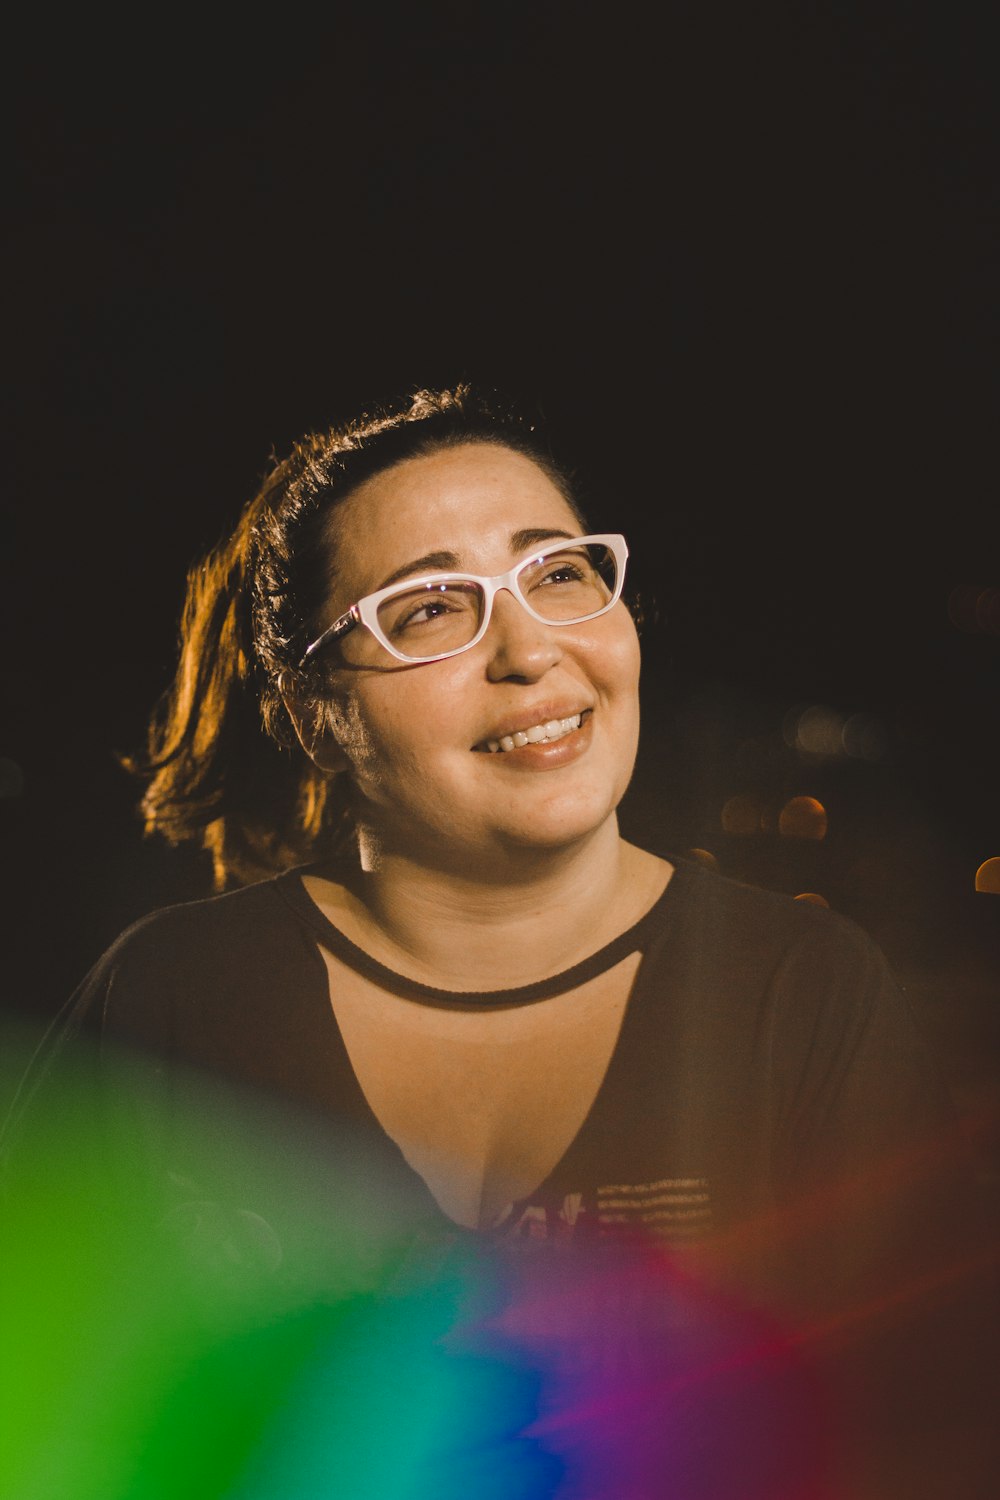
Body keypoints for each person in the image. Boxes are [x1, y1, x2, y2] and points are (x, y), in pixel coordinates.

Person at [2, 385, 992, 1498]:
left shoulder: (796, 993)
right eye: (430, 608)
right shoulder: (172, 996)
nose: (528, 650)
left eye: (555, 573)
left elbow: (932, 1434)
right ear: (313, 711)